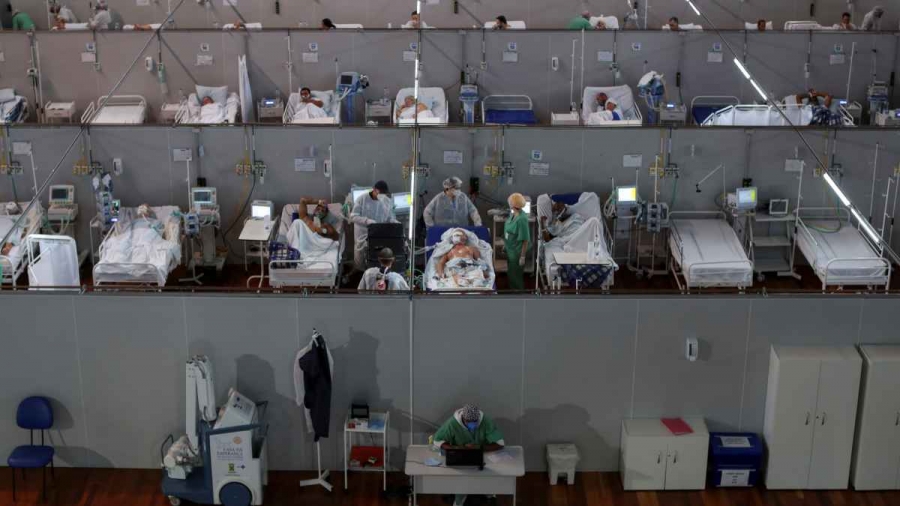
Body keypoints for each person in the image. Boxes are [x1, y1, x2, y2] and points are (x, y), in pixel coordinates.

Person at [433, 404, 505, 506]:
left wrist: (479, 447)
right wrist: (456, 449)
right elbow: (437, 441)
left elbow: (500, 443)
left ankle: (488, 493)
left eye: (475, 422)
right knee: (462, 480)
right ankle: (459, 500)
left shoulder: (485, 421)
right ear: (463, 418)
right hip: (460, 457)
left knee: (487, 477)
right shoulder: (452, 423)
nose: (473, 425)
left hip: (481, 455)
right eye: (469, 423)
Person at [350, 180, 397, 271]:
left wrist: (393, 221)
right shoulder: (362, 199)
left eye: (384, 194)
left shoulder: (386, 201)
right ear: (374, 190)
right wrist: (367, 221)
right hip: (363, 234)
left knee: (379, 254)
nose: (382, 196)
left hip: (379, 233)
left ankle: (378, 271)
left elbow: (389, 217)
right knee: (362, 255)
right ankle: (361, 273)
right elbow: (353, 217)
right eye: (380, 193)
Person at [504, 193, 530, 290]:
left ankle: (518, 294)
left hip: (517, 252)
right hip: (510, 248)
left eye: (510, 202)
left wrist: (522, 257)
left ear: (513, 205)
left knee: (516, 276)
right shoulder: (514, 214)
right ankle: (512, 290)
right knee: (511, 273)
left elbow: (525, 240)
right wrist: (505, 245)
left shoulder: (521, 219)